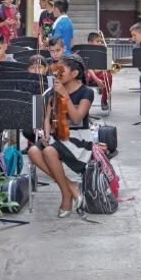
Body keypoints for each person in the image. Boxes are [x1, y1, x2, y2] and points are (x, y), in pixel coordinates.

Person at [27, 54, 95, 217]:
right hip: (58, 136)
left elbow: (77, 118)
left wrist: (64, 94)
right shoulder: (54, 92)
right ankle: (70, 186)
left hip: (79, 137)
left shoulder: (86, 92)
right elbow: (47, 119)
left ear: (74, 74)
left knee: (49, 151)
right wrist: (46, 133)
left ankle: (66, 197)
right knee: (33, 152)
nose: (57, 74)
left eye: (61, 71)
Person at [84, 31, 113, 112]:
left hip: (98, 74)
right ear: (90, 42)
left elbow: (108, 67)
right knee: (82, 77)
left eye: (101, 41)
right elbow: (88, 68)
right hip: (89, 75)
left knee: (108, 75)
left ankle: (104, 100)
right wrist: (96, 78)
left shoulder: (104, 51)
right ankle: (83, 101)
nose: (100, 43)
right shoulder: (85, 51)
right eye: (97, 41)